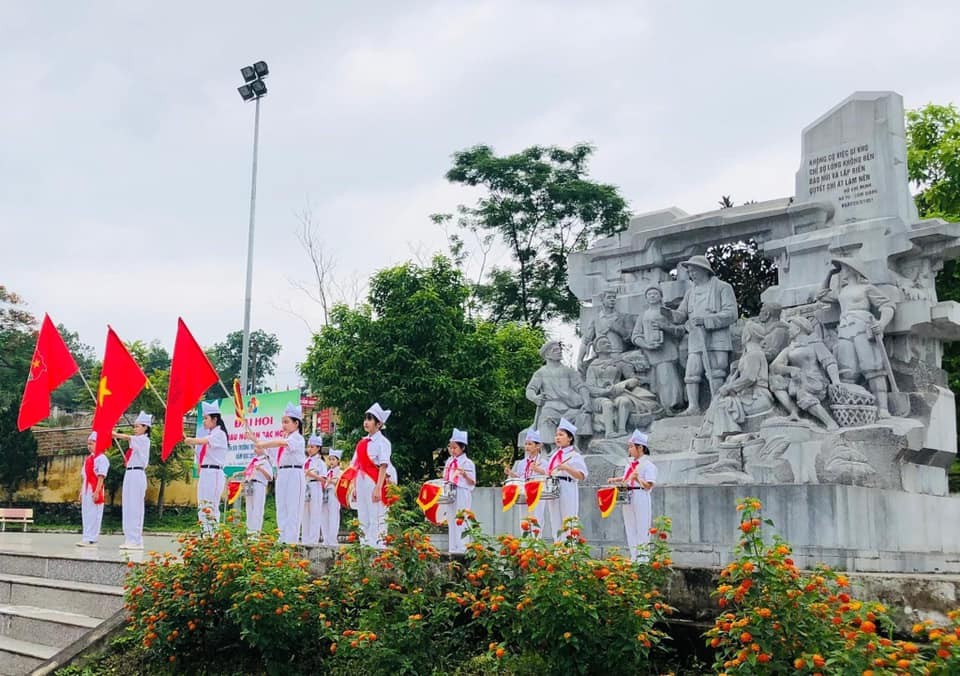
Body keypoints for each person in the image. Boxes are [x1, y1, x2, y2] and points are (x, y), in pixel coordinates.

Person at [817, 258, 897, 417]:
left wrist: (881, 323)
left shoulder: (866, 288)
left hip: (863, 327)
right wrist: (829, 274)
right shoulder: (842, 291)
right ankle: (850, 408)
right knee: (846, 371)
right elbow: (821, 295)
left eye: (844, 268)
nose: (842, 272)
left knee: (873, 367)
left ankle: (883, 409)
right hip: (845, 329)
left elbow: (888, 306)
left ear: (853, 270)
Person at [670, 255, 739, 415]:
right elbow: (681, 313)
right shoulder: (690, 292)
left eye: (694, 271)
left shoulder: (723, 287)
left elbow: (731, 313)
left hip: (717, 336)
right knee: (692, 371)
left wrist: (707, 320)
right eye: (690, 271)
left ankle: (716, 406)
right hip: (696, 338)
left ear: (704, 270)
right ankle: (693, 407)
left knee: (716, 370)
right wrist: (671, 315)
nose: (691, 274)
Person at [247, 403, 306, 545]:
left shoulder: (297, 439)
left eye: (287, 422)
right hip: (282, 474)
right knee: (282, 508)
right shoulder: (283, 441)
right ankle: (282, 539)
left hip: (294, 473)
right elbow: (267, 451)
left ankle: (291, 541)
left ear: (296, 423)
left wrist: (263, 444)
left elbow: (279, 444)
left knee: (293, 508)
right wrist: (254, 439)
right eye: (283, 422)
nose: (283, 425)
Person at [631, 285, 685, 412]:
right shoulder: (643, 315)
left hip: (668, 351)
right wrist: (646, 345)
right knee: (658, 382)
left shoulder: (667, 312)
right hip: (652, 354)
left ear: (661, 296)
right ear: (646, 298)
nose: (652, 296)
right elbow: (636, 336)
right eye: (649, 294)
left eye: (655, 293)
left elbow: (680, 330)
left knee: (668, 378)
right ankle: (664, 406)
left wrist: (665, 327)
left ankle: (672, 404)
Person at [607, 429, 657, 562]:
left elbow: (649, 485)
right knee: (630, 527)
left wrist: (638, 479)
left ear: (640, 447)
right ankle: (634, 557)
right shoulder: (629, 464)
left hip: (641, 494)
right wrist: (615, 480)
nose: (629, 450)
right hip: (628, 494)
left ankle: (643, 559)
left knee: (642, 527)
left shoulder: (647, 465)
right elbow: (626, 478)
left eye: (631, 447)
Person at [182, 401, 229, 534]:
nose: (204, 421)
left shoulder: (219, 434)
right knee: (202, 504)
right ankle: (205, 533)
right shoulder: (211, 434)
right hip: (206, 472)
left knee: (211, 505)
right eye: (203, 418)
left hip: (214, 472)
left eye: (206, 418)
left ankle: (213, 535)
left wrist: (191, 440)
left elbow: (203, 441)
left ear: (215, 419)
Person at [350, 403, 392, 547]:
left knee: (376, 515)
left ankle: (377, 547)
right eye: (365, 419)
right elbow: (356, 466)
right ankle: (364, 545)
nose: (366, 422)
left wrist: (378, 487)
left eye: (370, 419)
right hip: (361, 482)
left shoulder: (383, 442)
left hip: (374, 482)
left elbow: (383, 465)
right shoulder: (362, 443)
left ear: (379, 424)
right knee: (363, 516)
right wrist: (354, 487)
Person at [543, 417, 588, 542]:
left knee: (568, 519)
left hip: (567, 486)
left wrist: (567, 468)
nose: (557, 438)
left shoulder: (574, 455)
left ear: (570, 438)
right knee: (555, 520)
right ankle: (558, 550)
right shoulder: (554, 455)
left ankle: (570, 551)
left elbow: (582, 475)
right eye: (556, 435)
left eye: (561, 435)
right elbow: (549, 471)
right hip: (553, 487)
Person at [113, 411, 152, 550]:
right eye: (134, 426)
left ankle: (136, 538)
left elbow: (127, 437)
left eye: (137, 426)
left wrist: (114, 434)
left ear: (145, 427)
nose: (135, 429)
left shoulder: (144, 440)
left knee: (135, 507)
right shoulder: (136, 441)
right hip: (129, 473)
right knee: (128, 506)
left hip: (137, 474)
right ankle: (129, 537)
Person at [506, 428, 546, 537]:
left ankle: (536, 545)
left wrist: (539, 470)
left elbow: (548, 475)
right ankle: (525, 544)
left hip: (537, 492)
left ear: (538, 446)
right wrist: (511, 474)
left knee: (536, 517)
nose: (527, 447)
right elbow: (520, 477)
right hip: (524, 492)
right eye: (526, 444)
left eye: (530, 444)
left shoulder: (542, 462)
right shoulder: (522, 463)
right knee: (523, 518)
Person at [443, 428, 477, 554]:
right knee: (451, 519)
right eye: (450, 447)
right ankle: (453, 547)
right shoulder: (450, 461)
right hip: (451, 490)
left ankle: (462, 547)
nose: (452, 450)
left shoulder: (468, 463)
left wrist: (464, 475)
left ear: (462, 448)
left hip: (462, 491)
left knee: (461, 518)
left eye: (455, 448)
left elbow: (473, 481)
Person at [77, 431, 108, 547]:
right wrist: (81, 492)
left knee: (94, 513)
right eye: (88, 443)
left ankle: (91, 537)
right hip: (86, 488)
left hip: (95, 488)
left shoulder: (102, 458)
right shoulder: (88, 459)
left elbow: (101, 476)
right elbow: (84, 477)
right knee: (86, 513)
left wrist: (97, 491)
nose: (89, 446)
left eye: (92, 443)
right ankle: (86, 536)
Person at [243, 445, 273, 535]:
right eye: (255, 447)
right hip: (250, 485)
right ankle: (249, 532)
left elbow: (270, 477)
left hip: (259, 484)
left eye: (258, 447)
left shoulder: (265, 462)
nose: (255, 448)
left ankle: (256, 533)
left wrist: (261, 469)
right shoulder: (253, 461)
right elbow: (247, 473)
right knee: (249, 509)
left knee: (257, 508)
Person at [301, 434, 325, 546]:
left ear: (318, 448)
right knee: (304, 515)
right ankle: (305, 540)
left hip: (315, 486)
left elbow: (324, 480)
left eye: (312, 447)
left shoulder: (320, 463)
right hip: (305, 486)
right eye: (308, 446)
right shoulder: (305, 461)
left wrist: (312, 475)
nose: (309, 449)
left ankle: (313, 541)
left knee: (314, 514)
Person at [319, 449, 343, 546]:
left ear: (338, 461)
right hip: (325, 493)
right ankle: (326, 539)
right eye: (330, 459)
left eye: (333, 459)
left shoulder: (340, 472)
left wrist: (329, 481)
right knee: (324, 516)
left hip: (334, 493)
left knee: (333, 516)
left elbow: (338, 482)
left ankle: (333, 539)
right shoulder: (328, 472)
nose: (331, 461)